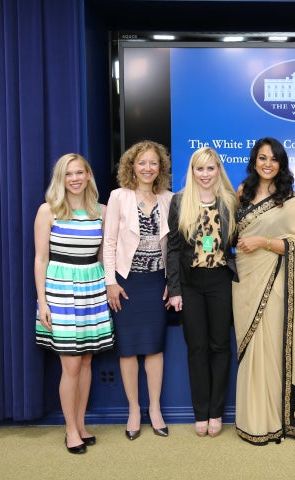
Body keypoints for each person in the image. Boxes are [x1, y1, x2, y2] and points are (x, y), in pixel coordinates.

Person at [232, 137, 295, 445]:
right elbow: (231, 234)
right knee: (251, 346)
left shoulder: (290, 200)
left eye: (273, 159)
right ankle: (254, 419)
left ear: (281, 164)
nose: (267, 163)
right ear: (254, 161)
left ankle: (276, 419)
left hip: (276, 282)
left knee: (272, 348)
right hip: (245, 281)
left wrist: (264, 243)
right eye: (262, 157)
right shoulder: (242, 193)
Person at [34, 153, 115, 454]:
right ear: (61, 179)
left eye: (80, 173)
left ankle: (80, 424)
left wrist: (105, 287)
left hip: (91, 288)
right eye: (69, 174)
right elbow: (41, 259)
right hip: (60, 290)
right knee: (70, 365)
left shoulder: (101, 212)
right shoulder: (48, 211)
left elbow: (101, 256)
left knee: (86, 361)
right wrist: (42, 302)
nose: (75, 179)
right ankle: (70, 430)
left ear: (88, 176)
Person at [103, 140, 173, 440]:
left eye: (153, 163)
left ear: (160, 168)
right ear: (132, 166)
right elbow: (108, 243)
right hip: (126, 282)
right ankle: (134, 410)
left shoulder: (170, 198)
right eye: (142, 162)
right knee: (129, 349)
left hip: (157, 282)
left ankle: (155, 409)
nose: (147, 168)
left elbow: (175, 247)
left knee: (155, 348)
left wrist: (173, 281)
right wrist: (111, 282)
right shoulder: (119, 196)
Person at [166, 147, 238, 438]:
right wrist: (174, 289)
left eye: (211, 168)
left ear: (218, 170)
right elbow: (172, 248)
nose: (205, 174)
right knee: (197, 349)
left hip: (221, 281)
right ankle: (200, 412)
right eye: (200, 169)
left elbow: (239, 243)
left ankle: (216, 412)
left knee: (220, 347)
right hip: (191, 284)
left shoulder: (230, 202)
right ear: (192, 171)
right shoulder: (179, 201)